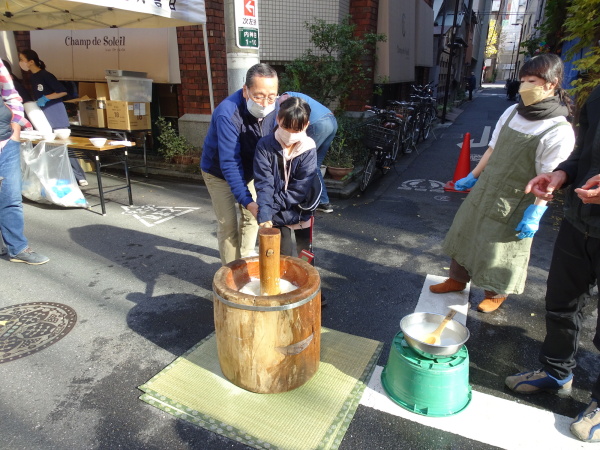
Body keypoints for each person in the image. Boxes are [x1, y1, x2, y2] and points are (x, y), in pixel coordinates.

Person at [429, 54, 575, 313]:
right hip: (487, 188)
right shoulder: (513, 111)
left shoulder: (558, 129)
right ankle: (456, 280)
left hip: (517, 199)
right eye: (523, 80)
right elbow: (492, 149)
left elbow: (548, 179)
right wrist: (473, 176)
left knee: (498, 248)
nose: (524, 87)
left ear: (551, 84)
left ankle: (495, 293)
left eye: (532, 81)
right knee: (465, 232)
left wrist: (536, 212)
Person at [505, 85, 600, 443]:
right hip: (579, 221)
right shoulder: (599, 94)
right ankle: (557, 371)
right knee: (562, 302)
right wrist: (561, 174)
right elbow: (585, 155)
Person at [201, 63, 279, 265]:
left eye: (271, 96)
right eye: (259, 95)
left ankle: (246, 259)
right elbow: (229, 162)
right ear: (245, 90)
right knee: (228, 225)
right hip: (218, 171)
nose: (265, 103)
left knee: (252, 218)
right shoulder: (227, 113)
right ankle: (232, 272)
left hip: (250, 169)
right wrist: (246, 200)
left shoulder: (275, 107)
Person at [254, 96, 317, 257]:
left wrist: (268, 209)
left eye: (297, 130)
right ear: (278, 119)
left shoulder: (308, 148)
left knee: (305, 258)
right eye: (286, 127)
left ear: (306, 125)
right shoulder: (265, 145)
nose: (290, 134)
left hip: (301, 209)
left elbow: (299, 190)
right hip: (276, 214)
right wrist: (266, 214)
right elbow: (264, 183)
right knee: (282, 258)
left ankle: (306, 282)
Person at [0, 59, 49, 265]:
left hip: (7, 140)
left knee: (11, 198)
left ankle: (18, 248)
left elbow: (11, 94)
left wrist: (16, 126)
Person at [18, 49, 87, 187]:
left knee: (64, 143)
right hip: (44, 114)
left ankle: (80, 176)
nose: (20, 63)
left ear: (31, 62)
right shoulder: (33, 77)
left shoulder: (45, 75)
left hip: (55, 111)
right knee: (51, 145)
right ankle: (61, 176)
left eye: (22, 59)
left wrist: (46, 98)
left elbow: (62, 91)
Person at [279, 91, 337, 213]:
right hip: (331, 121)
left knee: (304, 161)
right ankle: (323, 202)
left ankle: (304, 200)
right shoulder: (295, 94)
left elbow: (283, 120)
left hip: (318, 124)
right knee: (314, 164)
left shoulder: (283, 99)